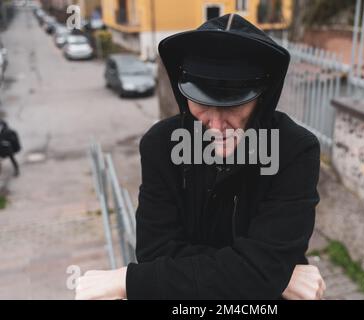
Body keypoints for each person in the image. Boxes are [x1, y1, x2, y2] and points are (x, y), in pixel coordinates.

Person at [76, 14, 325, 300]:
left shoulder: (295, 150)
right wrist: (272, 275)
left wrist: (130, 280)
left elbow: (261, 271)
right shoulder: (160, 146)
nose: (217, 125)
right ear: (183, 93)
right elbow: (155, 253)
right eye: (203, 103)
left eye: (234, 105)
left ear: (263, 96)